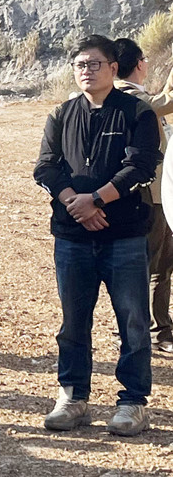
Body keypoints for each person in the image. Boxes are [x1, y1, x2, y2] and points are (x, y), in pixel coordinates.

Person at [34, 35, 161, 437]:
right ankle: (73, 397)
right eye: (80, 65)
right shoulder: (62, 113)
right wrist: (76, 203)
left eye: (94, 64)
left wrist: (98, 200)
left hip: (124, 235)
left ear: (112, 68)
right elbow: (46, 167)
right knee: (73, 322)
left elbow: (141, 166)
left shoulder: (137, 112)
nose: (86, 71)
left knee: (133, 322)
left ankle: (132, 403)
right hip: (72, 237)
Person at [112, 37, 173, 356]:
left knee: (158, 262)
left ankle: (153, 328)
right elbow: (166, 102)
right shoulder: (129, 97)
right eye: (145, 59)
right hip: (147, 195)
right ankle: (150, 330)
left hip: (152, 192)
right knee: (152, 263)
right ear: (138, 64)